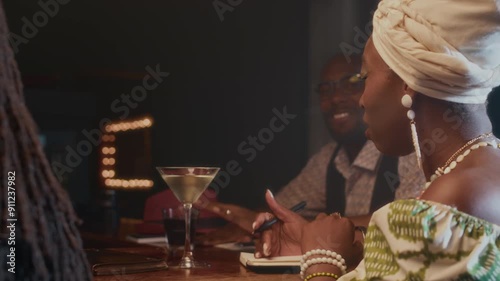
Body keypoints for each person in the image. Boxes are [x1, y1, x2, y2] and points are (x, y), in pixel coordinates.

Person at [253, 0, 500, 279]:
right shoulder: (484, 174)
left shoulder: (438, 208)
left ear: (408, 81)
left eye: (364, 76)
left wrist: (322, 261)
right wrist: (334, 244)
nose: (362, 100)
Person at [197, 55, 425, 245]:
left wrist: (310, 230)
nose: (335, 98)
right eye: (326, 90)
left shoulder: (407, 149)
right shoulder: (328, 158)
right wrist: (257, 221)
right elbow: (285, 209)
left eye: (353, 82)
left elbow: (406, 221)